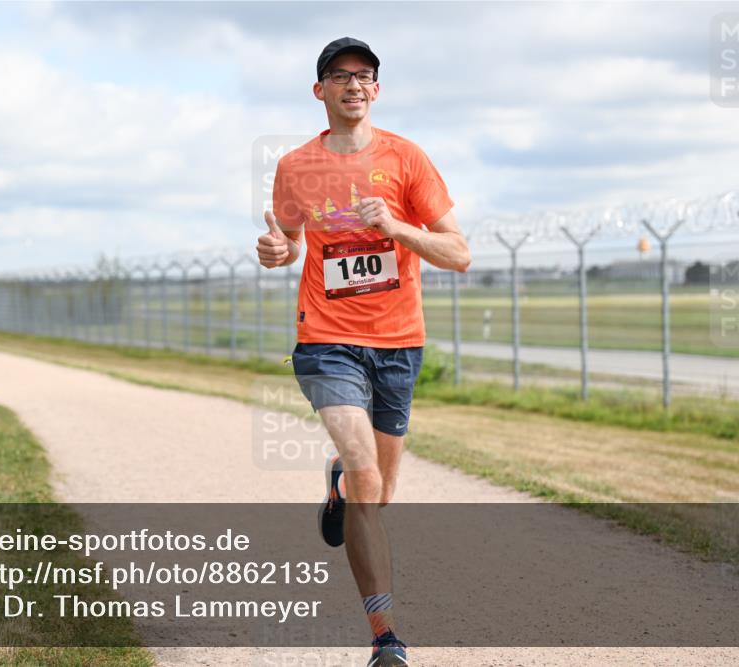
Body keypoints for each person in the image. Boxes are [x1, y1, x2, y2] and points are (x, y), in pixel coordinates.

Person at [256, 37, 470, 667]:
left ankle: (338, 488)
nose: (354, 84)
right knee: (367, 472)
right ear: (319, 90)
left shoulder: (407, 159)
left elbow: (459, 253)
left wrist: (397, 227)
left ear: (377, 90)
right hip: (326, 340)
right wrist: (277, 253)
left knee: (375, 495)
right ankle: (386, 637)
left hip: (399, 345)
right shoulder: (296, 166)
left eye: (365, 76)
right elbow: (288, 242)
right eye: (340, 75)